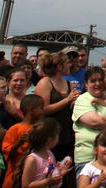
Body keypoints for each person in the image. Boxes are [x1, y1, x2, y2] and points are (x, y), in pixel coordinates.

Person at [34, 50, 81, 178]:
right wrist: (67, 100)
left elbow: (72, 105)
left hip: (66, 132)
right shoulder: (45, 83)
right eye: (66, 63)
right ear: (59, 67)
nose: (69, 66)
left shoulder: (68, 83)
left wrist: (74, 102)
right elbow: (43, 109)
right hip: (49, 133)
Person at [73, 66, 106, 171]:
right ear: (86, 84)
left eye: (100, 80)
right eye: (93, 81)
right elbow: (95, 122)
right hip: (87, 158)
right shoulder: (83, 99)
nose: (97, 84)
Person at [12, 118, 73, 188]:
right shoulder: (32, 159)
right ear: (50, 140)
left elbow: (47, 174)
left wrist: (59, 172)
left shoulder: (50, 154)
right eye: (57, 135)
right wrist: (48, 181)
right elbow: (26, 185)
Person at [4, 95, 47, 188]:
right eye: (41, 108)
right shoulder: (14, 129)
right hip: (13, 179)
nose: (43, 111)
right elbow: (7, 154)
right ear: (31, 110)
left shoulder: (41, 129)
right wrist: (19, 142)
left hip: (35, 179)